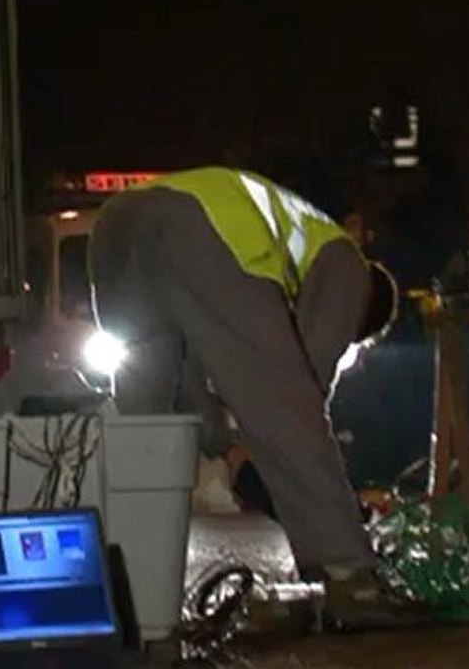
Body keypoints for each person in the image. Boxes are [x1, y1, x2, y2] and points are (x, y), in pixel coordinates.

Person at [89, 166, 405, 625]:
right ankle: (350, 576)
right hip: (200, 227)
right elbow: (299, 389)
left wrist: (222, 439)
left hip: (118, 225)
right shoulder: (348, 266)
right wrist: (263, 449)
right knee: (289, 411)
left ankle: (119, 580)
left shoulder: (288, 253)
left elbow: (197, 375)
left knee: (146, 423)